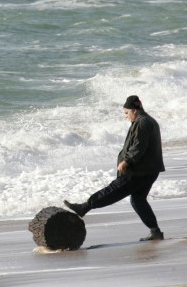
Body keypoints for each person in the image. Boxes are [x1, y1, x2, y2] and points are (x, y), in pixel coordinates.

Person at [64, 95, 166, 241]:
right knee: (138, 200)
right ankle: (155, 231)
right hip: (150, 170)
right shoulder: (147, 120)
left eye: (126, 113)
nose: (126, 116)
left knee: (112, 190)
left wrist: (126, 161)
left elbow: (139, 146)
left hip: (139, 171)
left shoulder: (142, 123)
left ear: (134, 111)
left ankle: (85, 207)